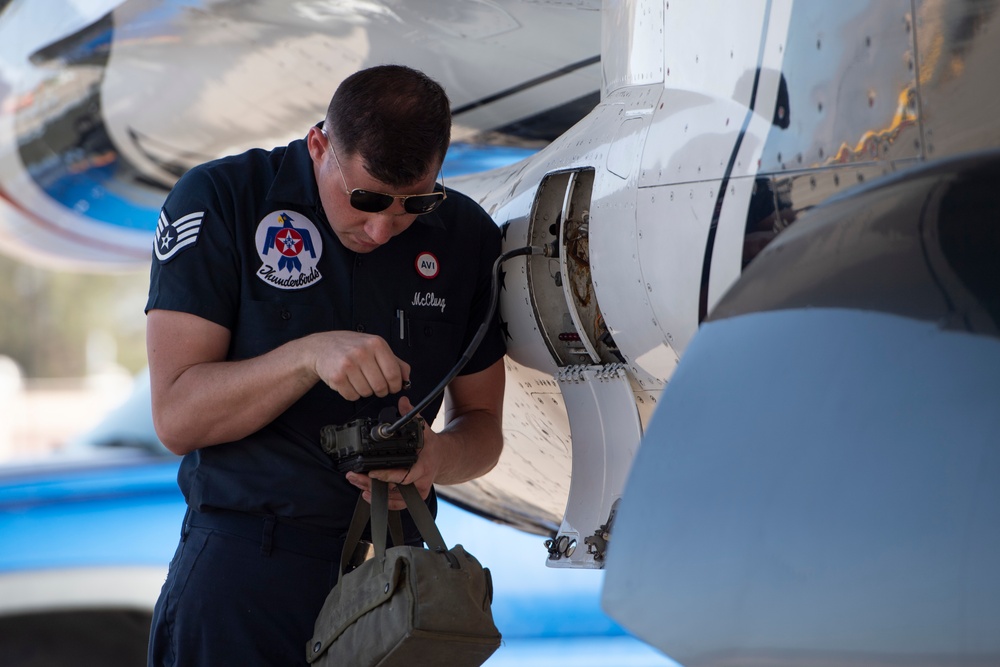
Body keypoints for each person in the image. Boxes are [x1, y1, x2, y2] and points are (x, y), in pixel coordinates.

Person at [145, 64, 506, 666]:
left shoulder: (464, 235)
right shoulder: (224, 199)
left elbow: (484, 427)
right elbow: (177, 417)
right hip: (250, 571)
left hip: (399, 586)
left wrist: (436, 458)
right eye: (364, 198)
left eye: (414, 203)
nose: (382, 227)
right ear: (320, 145)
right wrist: (307, 356)